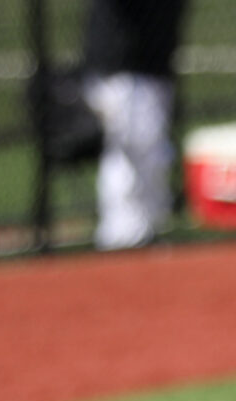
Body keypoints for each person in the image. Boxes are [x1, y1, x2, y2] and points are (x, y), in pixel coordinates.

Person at [83, 0, 190, 250]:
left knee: (152, 153)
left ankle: (143, 230)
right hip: (121, 66)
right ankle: (122, 235)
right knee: (130, 150)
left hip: (152, 65)